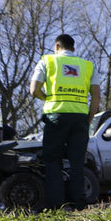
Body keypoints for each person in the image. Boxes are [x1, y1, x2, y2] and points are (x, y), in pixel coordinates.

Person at [29, 34, 101, 210]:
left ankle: (57, 204)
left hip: (56, 116)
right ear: (73, 49)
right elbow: (97, 97)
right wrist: (89, 118)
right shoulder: (87, 66)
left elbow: (33, 90)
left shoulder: (47, 61)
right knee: (77, 161)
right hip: (80, 119)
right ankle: (79, 203)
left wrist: (47, 99)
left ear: (56, 46)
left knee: (52, 159)